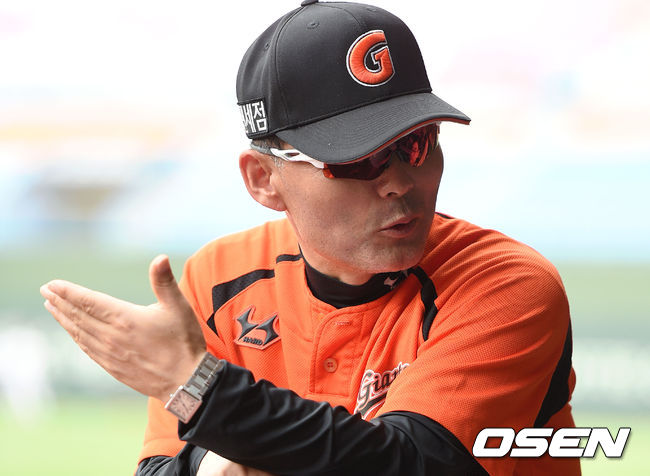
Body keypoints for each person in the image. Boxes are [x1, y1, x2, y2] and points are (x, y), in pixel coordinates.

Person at [40, 1, 579, 475]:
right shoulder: (218, 279)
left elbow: (414, 463)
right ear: (263, 179)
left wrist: (206, 392)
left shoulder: (506, 284)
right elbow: (162, 466)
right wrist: (213, 465)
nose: (399, 181)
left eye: (416, 143)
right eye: (358, 159)